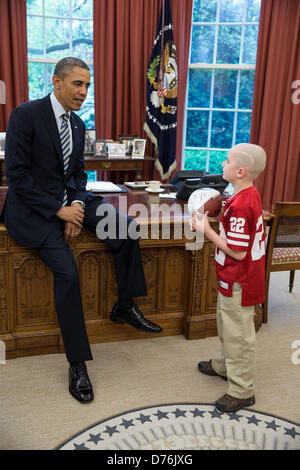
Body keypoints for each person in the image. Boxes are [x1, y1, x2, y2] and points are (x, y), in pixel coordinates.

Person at [4, 57, 163, 404]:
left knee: (124, 227)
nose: (83, 92)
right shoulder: (25, 115)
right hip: (34, 210)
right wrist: (59, 211)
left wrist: (76, 207)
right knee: (68, 273)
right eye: (78, 84)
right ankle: (78, 364)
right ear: (57, 81)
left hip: (70, 201)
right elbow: (16, 175)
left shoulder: (78, 125)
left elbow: (78, 176)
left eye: (88, 85)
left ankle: (125, 305)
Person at [190, 143, 266, 413]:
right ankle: (223, 365)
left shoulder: (243, 203)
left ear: (240, 170)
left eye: (227, 160)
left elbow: (236, 249)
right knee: (226, 325)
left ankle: (242, 390)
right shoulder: (244, 195)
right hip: (233, 278)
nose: (223, 163)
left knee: (239, 335)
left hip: (240, 281)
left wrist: (205, 229)